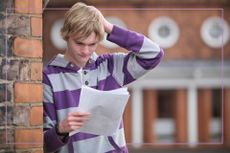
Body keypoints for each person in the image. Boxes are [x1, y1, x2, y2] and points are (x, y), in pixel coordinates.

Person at [43, 2, 163, 153]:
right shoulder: (48, 77)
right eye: (79, 43)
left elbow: (154, 54)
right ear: (66, 36)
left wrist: (108, 27)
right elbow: (42, 145)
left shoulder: (110, 67)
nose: (86, 51)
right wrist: (60, 129)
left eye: (92, 44)